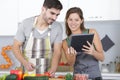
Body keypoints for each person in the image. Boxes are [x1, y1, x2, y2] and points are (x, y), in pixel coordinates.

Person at [13, 0, 63, 76]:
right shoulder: (26, 24)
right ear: (43, 9)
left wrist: (53, 69)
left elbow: (57, 51)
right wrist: (24, 63)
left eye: (57, 15)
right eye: (52, 13)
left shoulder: (57, 27)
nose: (54, 18)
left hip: (46, 75)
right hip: (26, 75)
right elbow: (15, 47)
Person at [62, 7, 104, 80]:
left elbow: (102, 58)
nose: (73, 23)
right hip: (78, 78)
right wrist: (72, 56)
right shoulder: (65, 42)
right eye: (70, 19)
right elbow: (71, 63)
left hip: (95, 77)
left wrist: (93, 52)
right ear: (67, 21)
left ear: (81, 21)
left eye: (76, 20)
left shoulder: (92, 32)